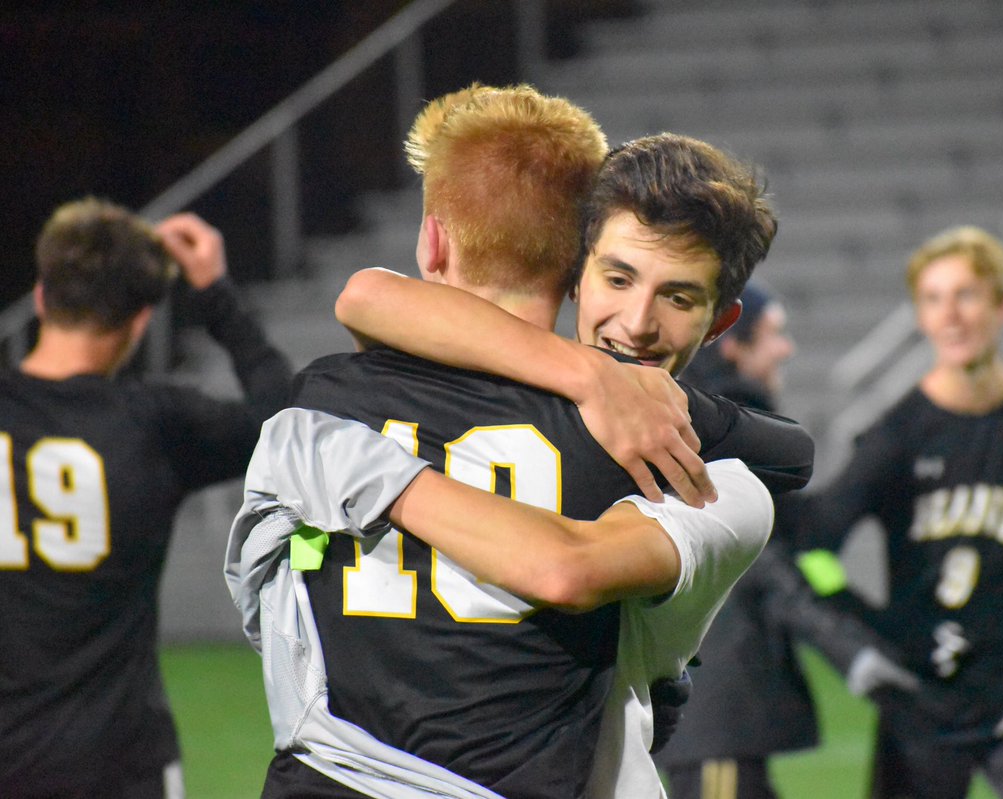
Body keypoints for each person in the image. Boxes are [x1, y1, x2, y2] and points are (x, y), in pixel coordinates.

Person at [226, 85, 813, 799]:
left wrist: (376, 476)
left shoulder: (329, 409)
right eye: (618, 277)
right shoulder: (723, 470)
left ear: (720, 322)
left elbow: (568, 567)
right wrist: (585, 375)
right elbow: (367, 296)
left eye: (679, 297)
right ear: (576, 269)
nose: (634, 322)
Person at [791, 225, 1003, 799]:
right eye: (934, 299)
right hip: (921, 705)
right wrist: (874, 632)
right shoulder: (895, 438)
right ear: (920, 315)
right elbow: (813, 549)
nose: (950, 315)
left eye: (967, 295)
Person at [0, 197, 292, 798]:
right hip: (117, 761)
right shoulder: (155, 423)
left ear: (41, 296)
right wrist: (215, 293)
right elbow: (284, 421)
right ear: (139, 321)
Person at [655, 281, 919, 799]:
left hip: (720, 711)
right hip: (719, 709)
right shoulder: (722, 432)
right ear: (733, 344)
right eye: (773, 333)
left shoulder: (722, 422)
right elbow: (767, 565)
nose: (787, 348)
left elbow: (802, 552)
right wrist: (853, 652)